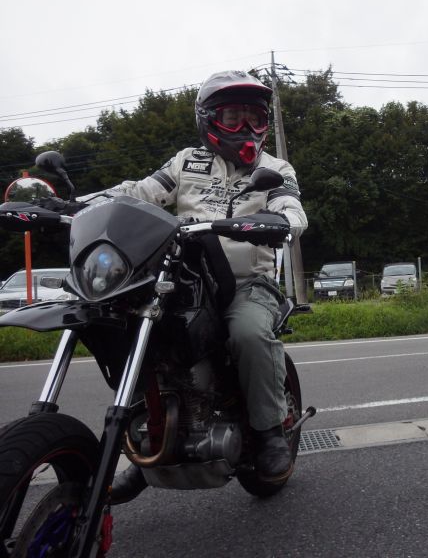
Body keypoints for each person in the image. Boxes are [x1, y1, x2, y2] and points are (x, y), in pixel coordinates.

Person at [76, 70, 308, 503]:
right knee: (132, 331)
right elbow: (138, 193)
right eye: (233, 116)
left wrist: (280, 221)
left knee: (248, 333)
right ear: (209, 119)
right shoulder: (186, 162)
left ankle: (270, 431)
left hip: (247, 283)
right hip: (182, 278)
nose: (246, 127)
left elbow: (292, 209)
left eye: (255, 118)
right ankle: (149, 441)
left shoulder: (275, 168)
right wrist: (79, 203)